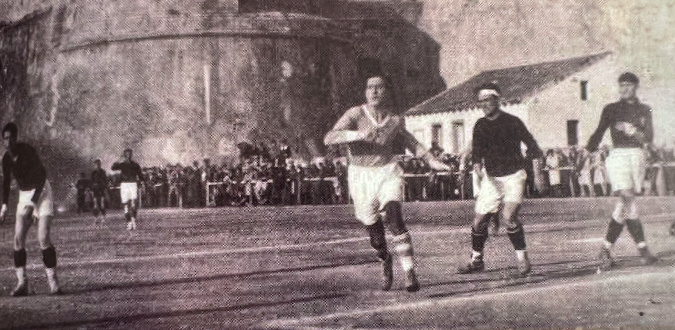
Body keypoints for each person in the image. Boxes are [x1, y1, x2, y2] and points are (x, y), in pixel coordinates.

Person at [324, 75, 450, 292]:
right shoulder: (355, 114)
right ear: (365, 92)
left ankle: (409, 272)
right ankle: (384, 258)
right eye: (369, 87)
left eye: (379, 87)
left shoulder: (394, 120)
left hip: (387, 171)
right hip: (361, 175)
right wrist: (357, 134)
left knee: (394, 216)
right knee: (375, 234)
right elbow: (329, 138)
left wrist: (432, 161)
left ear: (387, 92)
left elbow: (411, 142)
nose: (373, 91)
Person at [457, 82, 544, 277]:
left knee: (509, 217)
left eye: (487, 100)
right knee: (478, 222)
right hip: (492, 178)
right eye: (480, 102)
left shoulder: (513, 122)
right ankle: (476, 260)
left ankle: (522, 258)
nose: (484, 105)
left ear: (497, 99)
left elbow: (533, 147)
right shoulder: (479, 125)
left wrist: (538, 175)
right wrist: (479, 172)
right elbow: (477, 155)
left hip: (514, 176)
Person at [586, 72, 658, 270]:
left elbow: (649, 137)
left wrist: (632, 130)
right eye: (621, 85)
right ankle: (642, 249)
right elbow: (599, 132)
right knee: (627, 198)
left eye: (628, 85)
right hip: (618, 156)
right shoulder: (611, 109)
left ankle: (605, 248)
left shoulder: (645, 109)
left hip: (638, 157)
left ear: (636, 87)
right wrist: (587, 151)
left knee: (625, 204)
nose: (625, 89)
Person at [1, 122, 61, 295]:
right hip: (25, 195)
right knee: (18, 240)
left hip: (42, 192)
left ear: (16, 138)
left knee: (43, 237)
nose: (8, 141)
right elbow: (5, 183)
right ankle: (22, 283)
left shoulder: (27, 151)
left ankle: (53, 282)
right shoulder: (6, 158)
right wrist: (4, 206)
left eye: (11, 137)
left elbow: (41, 176)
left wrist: (33, 206)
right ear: (3, 141)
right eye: (5, 138)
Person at [112, 148, 143, 230]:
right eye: (127, 154)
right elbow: (113, 167)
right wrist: (119, 158)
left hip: (133, 184)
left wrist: (141, 182)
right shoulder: (122, 164)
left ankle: (133, 221)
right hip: (124, 185)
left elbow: (140, 175)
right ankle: (129, 222)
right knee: (125, 205)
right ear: (125, 155)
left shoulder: (135, 165)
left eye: (130, 154)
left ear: (131, 155)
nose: (128, 155)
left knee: (134, 204)